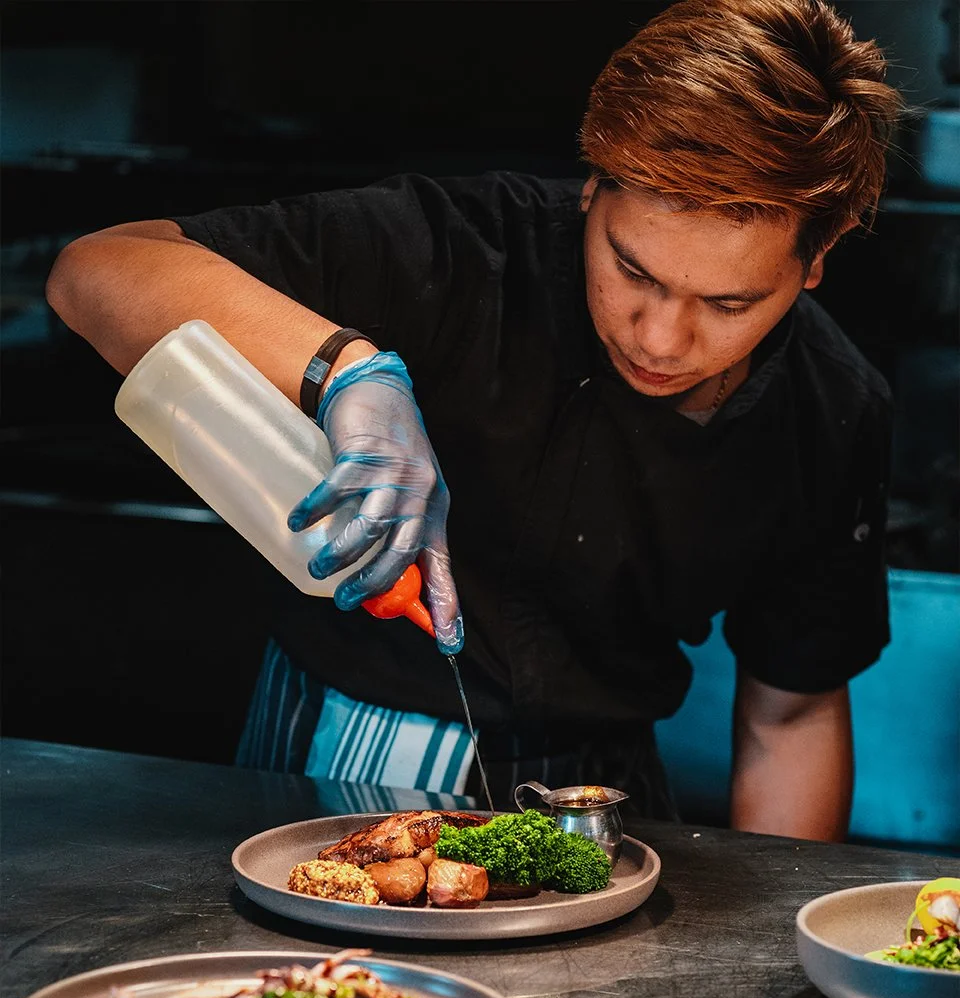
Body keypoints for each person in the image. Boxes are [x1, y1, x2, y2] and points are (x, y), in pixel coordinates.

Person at [46, 0, 904, 840]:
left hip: (598, 790)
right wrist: (346, 372)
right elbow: (98, 269)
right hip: (335, 739)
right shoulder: (451, 249)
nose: (662, 337)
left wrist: (776, 956)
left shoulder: (831, 410)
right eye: (632, 271)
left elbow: (790, 717)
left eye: (727, 303)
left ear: (816, 259)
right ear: (591, 188)